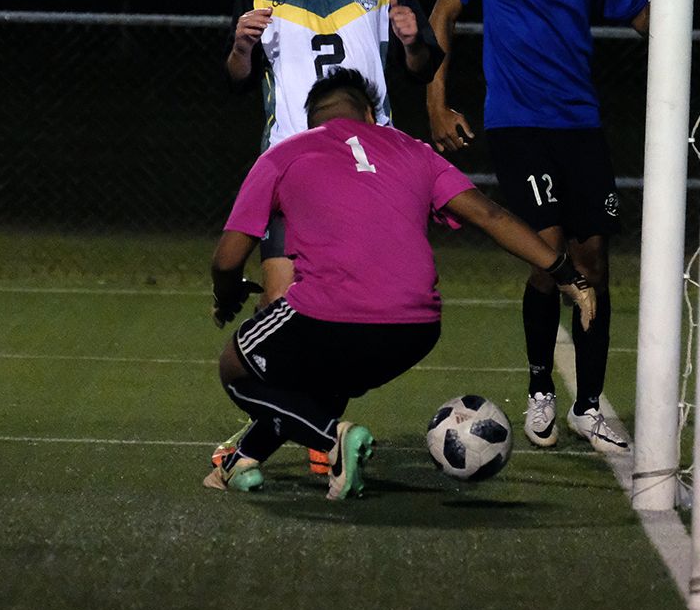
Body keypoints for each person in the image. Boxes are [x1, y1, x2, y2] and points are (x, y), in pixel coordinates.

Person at [204, 68, 595, 497]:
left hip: (329, 313)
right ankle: (244, 459)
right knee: (323, 381)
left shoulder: (283, 154)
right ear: (371, 115)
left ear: (311, 119)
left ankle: (331, 439)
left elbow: (227, 261)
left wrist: (226, 296)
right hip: (415, 328)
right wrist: (563, 271)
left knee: (236, 367)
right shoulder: (416, 151)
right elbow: (491, 215)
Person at [425, 0, 649, 455]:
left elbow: (642, 17)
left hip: (581, 126)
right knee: (546, 254)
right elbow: (444, 13)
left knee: (594, 264)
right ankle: (539, 389)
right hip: (518, 122)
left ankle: (588, 406)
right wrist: (438, 103)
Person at [219, 0, 443, 474]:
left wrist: (411, 44)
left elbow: (424, 62)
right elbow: (238, 79)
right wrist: (239, 46)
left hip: (371, 177)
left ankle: (312, 443)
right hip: (293, 171)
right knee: (282, 314)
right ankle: (322, 435)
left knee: (340, 317)